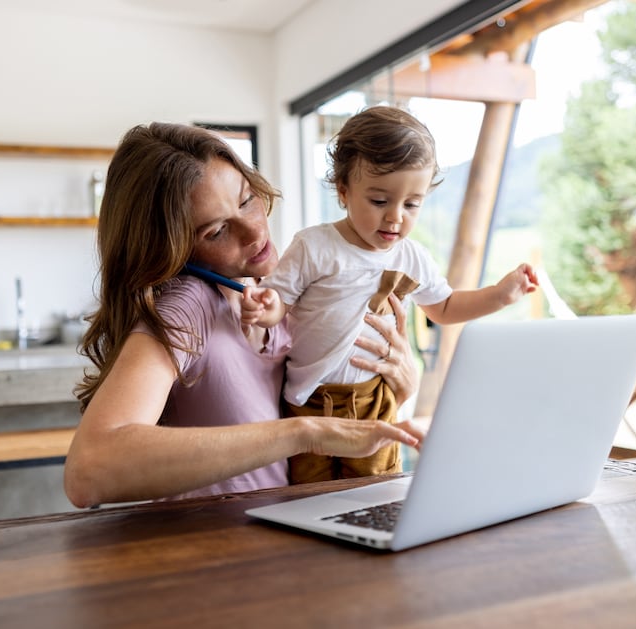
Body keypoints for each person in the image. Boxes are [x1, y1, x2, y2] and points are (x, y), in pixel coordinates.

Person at [63, 122, 425, 508]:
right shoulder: (188, 306)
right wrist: (304, 432)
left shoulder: (274, 295)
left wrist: (399, 388)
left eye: (247, 199)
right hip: (220, 553)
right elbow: (89, 470)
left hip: (289, 540)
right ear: (172, 249)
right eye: (218, 230)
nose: (255, 232)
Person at [241, 105, 538, 484]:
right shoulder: (314, 246)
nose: (396, 216)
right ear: (344, 192)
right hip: (309, 401)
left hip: (375, 400)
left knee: (376, 486)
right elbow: (280, 299)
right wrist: (266, 309)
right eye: (380, 201)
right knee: (306, 488)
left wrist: (500, 294)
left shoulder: (412, 256)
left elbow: (444, 307)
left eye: (412, 204)